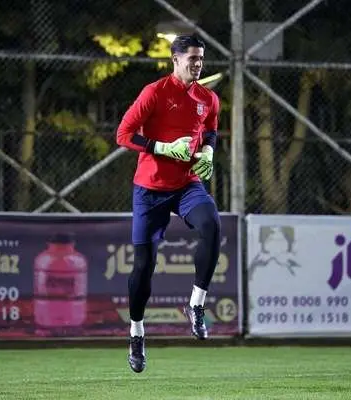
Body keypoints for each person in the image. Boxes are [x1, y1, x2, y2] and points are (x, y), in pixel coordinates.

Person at [116, 33, 222, 373]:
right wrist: (162, 148)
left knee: (211, 224)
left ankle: (196, 305)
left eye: (201, 58)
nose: (198, 63)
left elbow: (210, 129)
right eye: (192, 58)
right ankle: (136, 333)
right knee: (143, 266)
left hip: (187, 184)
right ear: (175, 59)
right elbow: (123, 134)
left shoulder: (208, 98)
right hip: (150, 189)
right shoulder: (154, 92)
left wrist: (208, 152)